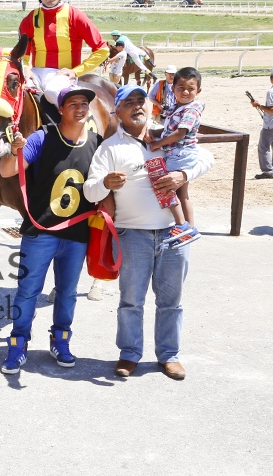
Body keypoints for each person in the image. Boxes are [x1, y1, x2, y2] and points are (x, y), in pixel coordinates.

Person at [83, 84, 214, 380]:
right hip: (132, 235)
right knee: (131, 301)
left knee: (171, 302)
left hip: (174, 235)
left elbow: (206, 157)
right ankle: (129, 353)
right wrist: (105, 183)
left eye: (141, 100)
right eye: (129, 102)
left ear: (150, 107)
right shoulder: (109, 148)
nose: (137, 106)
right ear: (117, 112)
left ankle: (169, 355)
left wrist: (183, 174)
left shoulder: (166, 137)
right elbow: (90, 191)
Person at [0, 86, 101, 374]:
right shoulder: (41, 137)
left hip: (76, 234)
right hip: (40, 232)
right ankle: (18, 344)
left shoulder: (97, 143)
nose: (80, 108)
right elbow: (6, 171)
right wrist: (14, 150)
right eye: (73, 104)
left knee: (67, 293)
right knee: (27, 292)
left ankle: (61, 340)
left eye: (84, 103)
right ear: (60, 109)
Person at [19, 0, 109, 107]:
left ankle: (77, 120)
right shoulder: (30, 19)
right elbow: (23, 54)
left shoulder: (76, 16)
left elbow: (102, 50)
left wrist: (76, 71)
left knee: (52, 91)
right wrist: (25, 68)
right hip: (36, 73)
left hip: (63, 76)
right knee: (17, 92)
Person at [144, 68, 204, 247]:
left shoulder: (191, 110)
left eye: (190, 89)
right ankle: (189, 228)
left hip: (180, 154)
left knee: (165, 187)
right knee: (182, 194)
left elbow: (179, 133)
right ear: (173, 89)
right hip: (179, 153)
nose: (185, 92)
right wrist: (153, 132)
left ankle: (181, 225)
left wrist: (158, 144)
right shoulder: (176, 108)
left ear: (198, 91)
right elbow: (168, 130)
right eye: (181, 88)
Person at [250, 70, 273, 179]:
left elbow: (271, 110)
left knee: (263, 147)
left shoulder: (271, 92)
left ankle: (268, 171)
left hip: (270, 125)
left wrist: (259, 106)